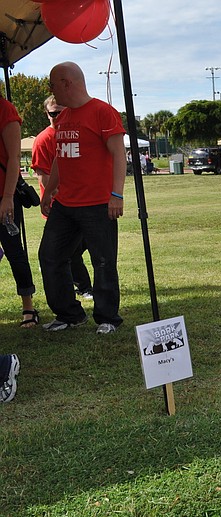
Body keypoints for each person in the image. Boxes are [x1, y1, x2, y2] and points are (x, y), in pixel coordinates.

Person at [38, 62, 126, 334]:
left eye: (53, 84)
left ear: (67, 83)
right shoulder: (63, 118)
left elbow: (118, 154)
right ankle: (69, 314)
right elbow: (59, 161)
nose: (51, 89)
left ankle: (108, 318)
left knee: (103, 261)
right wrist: (50, 190)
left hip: (98, 204)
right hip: (66, 204)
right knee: (50, 256)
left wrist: (116, 195)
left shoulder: (103, 112)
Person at [32, 94, 94, 301]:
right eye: (53, 113)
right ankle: (83, 287)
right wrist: (52, 196)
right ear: (46, 114)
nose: (58, 116)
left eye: (62, 111)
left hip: (82, 203)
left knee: (77, 249)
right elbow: (42, 174)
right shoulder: (43, 140)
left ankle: (81, 286)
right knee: (68, 252)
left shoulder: (73, 133)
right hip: (60, 206)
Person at [0, 94, 39, 328]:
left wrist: (6, 198)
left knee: (14, 251)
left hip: (5, 196)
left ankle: (28, 307)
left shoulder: (5, 110)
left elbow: (14, 158)